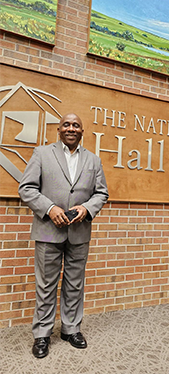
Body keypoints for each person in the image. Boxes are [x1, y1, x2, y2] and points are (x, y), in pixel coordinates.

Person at [18, 113, 109, 359]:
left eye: (76, 125)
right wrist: (50, 208)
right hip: (49, 231)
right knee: (46, 285)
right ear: (59, 129)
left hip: (79, 232)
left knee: (74, 284)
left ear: (82, 131)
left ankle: (71, 329)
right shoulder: (42, 154)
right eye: (67, 124)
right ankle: (42, 335)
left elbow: (101, 193)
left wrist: (86, 209)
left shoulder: (93, 160)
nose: (71, 128)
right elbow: (26, 188)